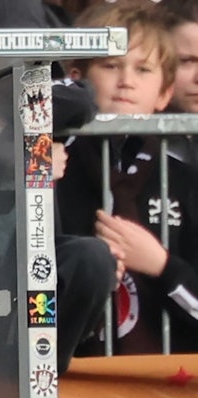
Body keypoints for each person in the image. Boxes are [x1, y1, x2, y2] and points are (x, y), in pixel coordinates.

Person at [59, 0, 198, 355]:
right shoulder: (51, 170)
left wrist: (162, 266)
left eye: (143, 69)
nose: (126, 82)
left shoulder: (184, 182)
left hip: (165, 383)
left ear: (165, 93)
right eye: (110, 65)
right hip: (72, 378)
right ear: (76, 77)